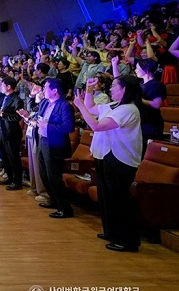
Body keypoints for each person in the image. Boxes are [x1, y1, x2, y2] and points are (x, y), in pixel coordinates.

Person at [74, 75, 143, 252]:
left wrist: (80, 105)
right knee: (107, 198)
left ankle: (127, 240)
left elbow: (96, 125)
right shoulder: (114, 105)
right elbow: (91, 107)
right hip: (105, 154)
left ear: (124, 89)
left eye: (114, 86)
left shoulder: (128, 109)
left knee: (119, 199)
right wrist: (88, 91)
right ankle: (113, 232)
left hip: (120, 158)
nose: (110, 89)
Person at [20, 78, 75, 218]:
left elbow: (69, 127)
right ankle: (54, 200)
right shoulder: (45, 103)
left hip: (55, 144)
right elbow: (38, 120)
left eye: (45, 87)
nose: (43, 90)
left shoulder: (64, 105)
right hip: (42, 140)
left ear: (55, 90)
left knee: (54, 176)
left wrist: (48, 126)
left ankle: (65, 208)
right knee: (43, 174)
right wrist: (27, 118)